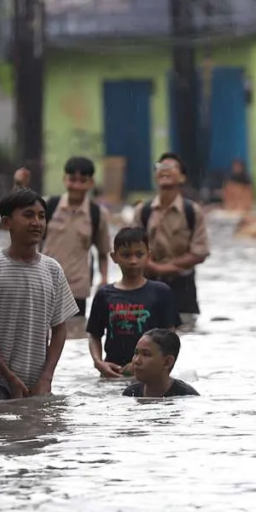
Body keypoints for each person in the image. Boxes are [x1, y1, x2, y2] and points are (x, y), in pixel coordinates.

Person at [0, 189, 79, 400]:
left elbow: (60, 330)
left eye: (41, 216)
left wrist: (47, 377)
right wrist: (9, 376)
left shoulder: (53, 270)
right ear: (7, 223)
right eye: (28, 215)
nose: (37, 222)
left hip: (35, 378)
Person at [86, 226, 179, 378]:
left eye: (139, 254)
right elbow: (94, 334)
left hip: (149, 374)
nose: (133, 261)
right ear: (114, 257)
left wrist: (156, 369)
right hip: (114, 372)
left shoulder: (161, 292)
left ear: (148, 256)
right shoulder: (104, 294)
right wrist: (98, 362)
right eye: (126, 255)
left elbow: (170, 337)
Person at [139, 152, 210, 322]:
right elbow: (130, 247)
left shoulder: (192, 211)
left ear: (182, 177)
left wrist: (168, 267)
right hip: (149, 283)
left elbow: (200, 252)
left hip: (183, 285)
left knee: (186, 329)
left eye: (171, 167)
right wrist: (154, 268)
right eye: (161, 167)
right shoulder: (143, 211)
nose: (165, 170)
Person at [41, 157, 112, 317]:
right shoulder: (48, 206)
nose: (77, 185)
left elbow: (102, 252)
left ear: (91, 182)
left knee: (75, 332)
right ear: (64, 179)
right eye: (72, 180)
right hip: (44, 284)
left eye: (83, 180)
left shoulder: (98, 214)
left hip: (77, 288)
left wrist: (104, 279)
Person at [123, 329, 200, 398]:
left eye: (146, 354)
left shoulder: (186, 396)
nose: (136, 361)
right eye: (136, 353)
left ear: (167, 362)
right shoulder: (130, 393)